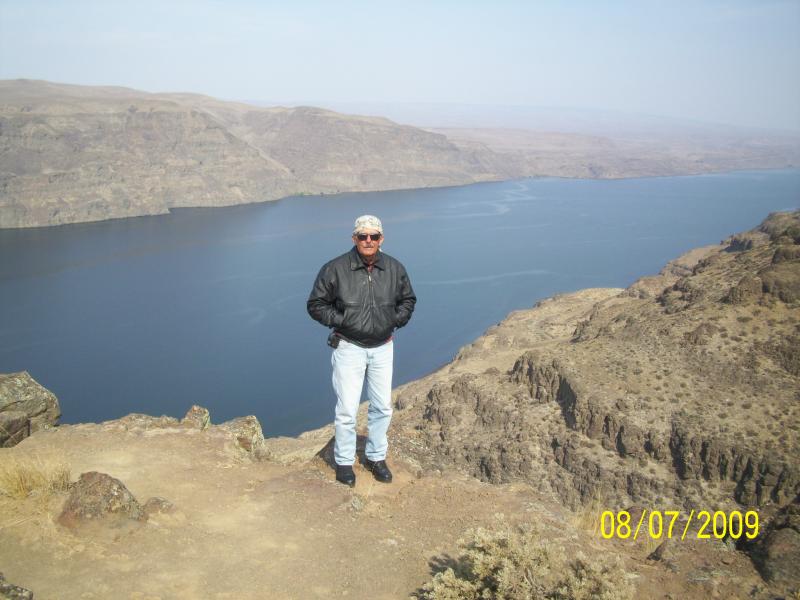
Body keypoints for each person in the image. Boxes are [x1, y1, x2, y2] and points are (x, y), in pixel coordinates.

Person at [307, 215, 416, 487]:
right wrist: (343, 321)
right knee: (347, 410)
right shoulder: (335, 268)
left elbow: (408, 300)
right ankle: (344, 462)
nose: (369, 241)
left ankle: (376, 457)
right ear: (354, 238)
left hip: (382, 348)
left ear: (382, 239)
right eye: (363, 236)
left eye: (374, 236)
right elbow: (316, 304)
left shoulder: (394, 268)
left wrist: (395, 320)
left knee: (382, 407)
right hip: (349, 347)